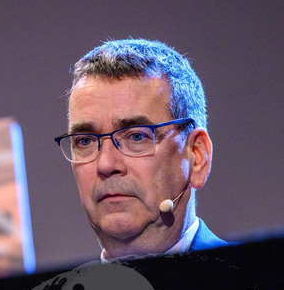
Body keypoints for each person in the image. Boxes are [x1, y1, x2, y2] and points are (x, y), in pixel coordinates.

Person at [55, 39, 227, 261]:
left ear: (197, 157)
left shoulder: (258, 278)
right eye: (85, 141)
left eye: (136, 136)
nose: (105, 164)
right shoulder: (60, 285)